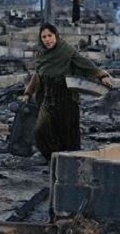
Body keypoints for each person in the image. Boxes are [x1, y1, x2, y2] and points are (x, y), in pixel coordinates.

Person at [21, 23, 112, 160]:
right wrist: (28, 93)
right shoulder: (41, 53)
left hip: (66, 97)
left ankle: (68, 162)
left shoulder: (66, 51)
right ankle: (52, 157)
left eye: (50, 36)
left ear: (56, 35)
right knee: (41, 129)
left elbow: (84, 63)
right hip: (47, 97)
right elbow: (37, 74)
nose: (47, 39)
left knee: (67, 133)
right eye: (44, 37)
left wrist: (101, 75)